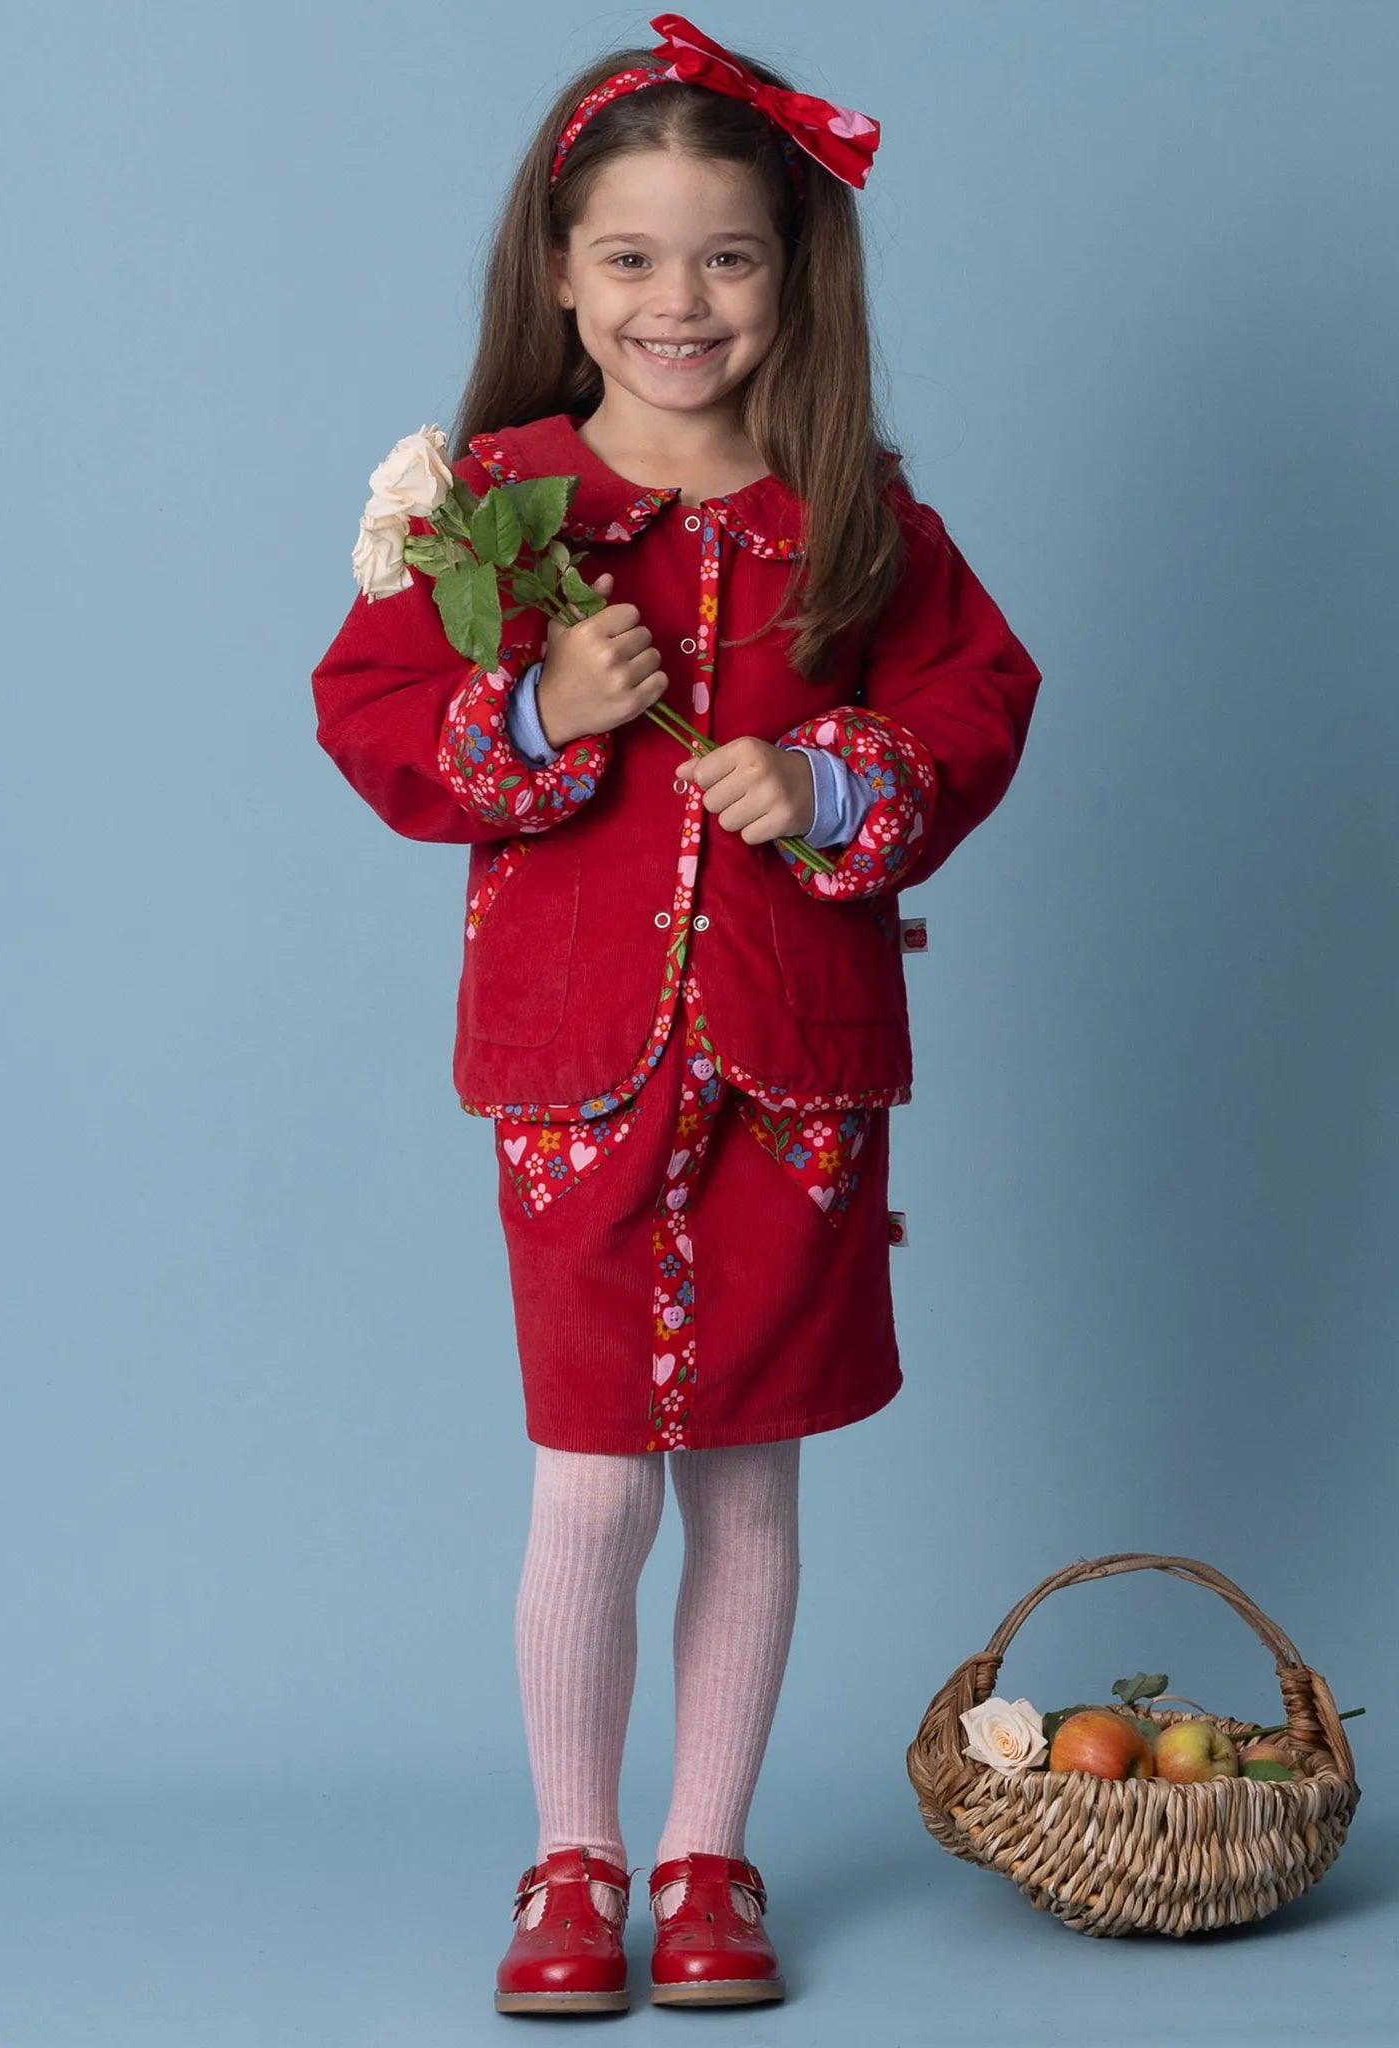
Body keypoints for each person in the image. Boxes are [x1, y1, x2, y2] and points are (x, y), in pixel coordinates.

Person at [310, 12, 1042, 2016]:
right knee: (592, 1473)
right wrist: (547, 709)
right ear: (559, 272)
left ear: (789, 274)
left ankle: (711, 1857)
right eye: (630, 256)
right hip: (577, 1065)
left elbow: (983, 701)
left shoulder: (851, 511)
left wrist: (824, 780)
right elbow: (368, 713)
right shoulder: (494, 516)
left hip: (796, 1062)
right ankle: (577, 1857)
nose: (677, 299)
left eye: (725, 254)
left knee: (750, 1471)